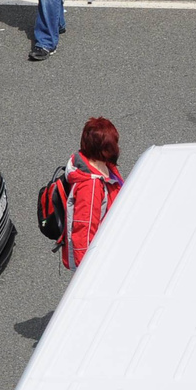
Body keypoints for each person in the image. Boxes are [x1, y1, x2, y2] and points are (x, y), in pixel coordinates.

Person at [60, 117, 124, 273]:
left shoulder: (104, 166)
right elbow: (83, 233)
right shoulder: (91, 186)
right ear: (104, 149)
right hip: (102, 263)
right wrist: (87, 275)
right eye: (113, 144)